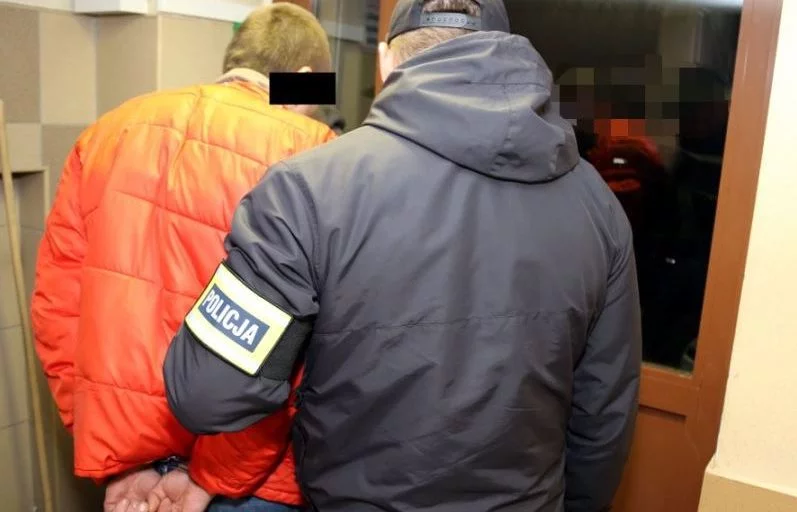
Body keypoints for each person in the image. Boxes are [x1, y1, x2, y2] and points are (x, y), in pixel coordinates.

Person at [163, 0, 642, 510]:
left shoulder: (308, 191)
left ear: (386, 61)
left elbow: (205, 393)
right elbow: (603, 417)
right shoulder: (599, 207)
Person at [30, 4, 335, 512]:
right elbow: (300, 359)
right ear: (303, 80)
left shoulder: (107, 132)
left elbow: (57, 314)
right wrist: (212, 475)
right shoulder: (312, 152)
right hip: (248, 481)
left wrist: (114, 456)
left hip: (133, 476)